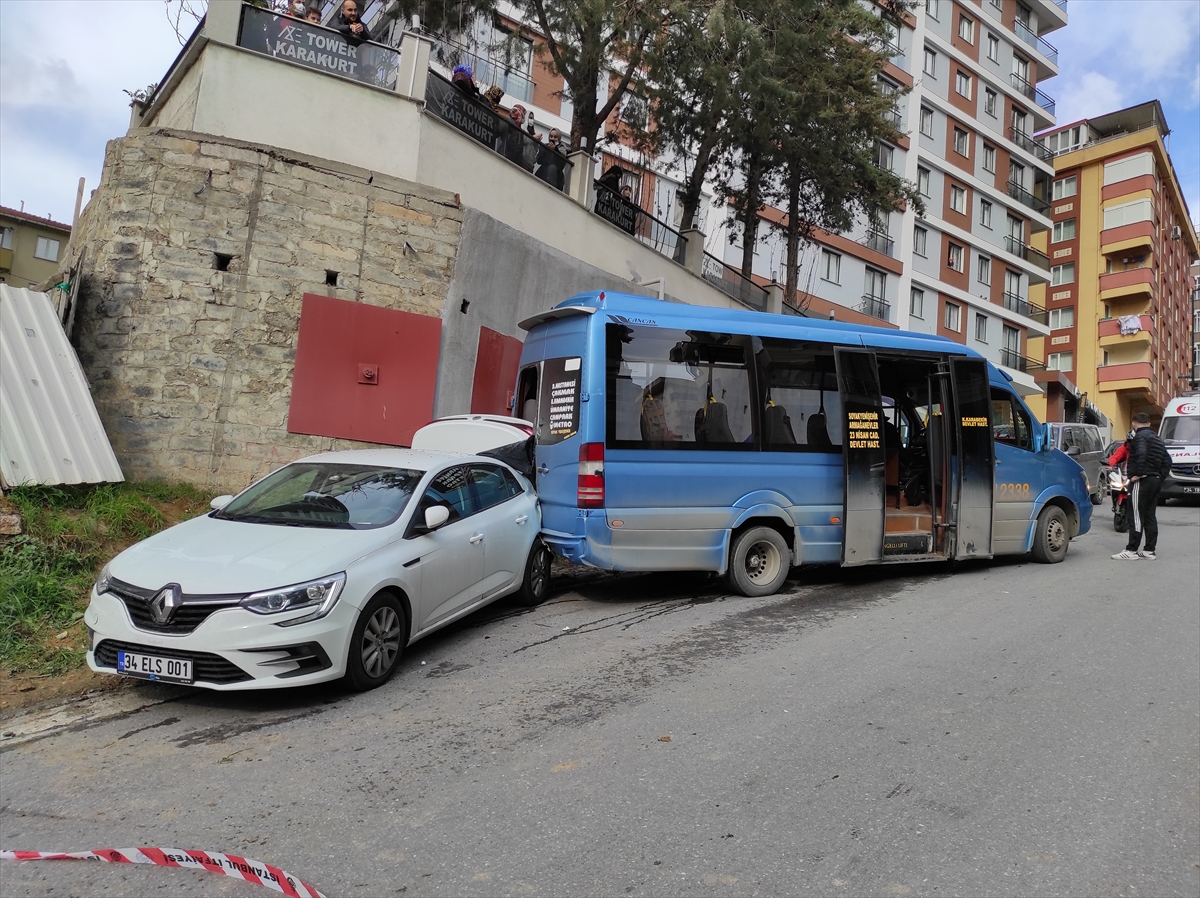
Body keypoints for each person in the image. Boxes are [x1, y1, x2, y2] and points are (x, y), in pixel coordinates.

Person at [1111, 412, 1170, 560]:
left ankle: (1131, 551)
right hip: (1155, 479)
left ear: (1133, 423)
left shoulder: (1139, 438)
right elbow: (1168, 461)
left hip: (1142, 480)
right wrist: (1159, 477)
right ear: (1149, 424)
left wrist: (1137, 474)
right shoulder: (1158, 439)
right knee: (1150, 515)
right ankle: (1149, 550)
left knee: (1136, 514)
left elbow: (1141, 454)